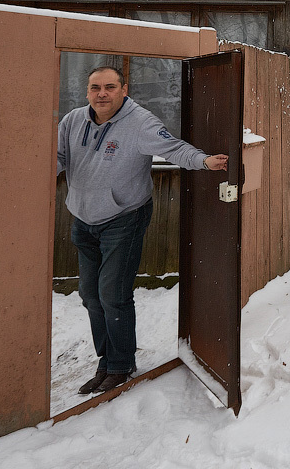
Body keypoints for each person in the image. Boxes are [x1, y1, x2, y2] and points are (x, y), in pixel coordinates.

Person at [57, 65, 228, 395]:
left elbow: (173, 147)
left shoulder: (140, 122)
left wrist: (203, 161)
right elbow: (57, 158)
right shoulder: (73, 121)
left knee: (112, 294)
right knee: (90, 295)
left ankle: (120, 365)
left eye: (109, 87)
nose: (102, 94)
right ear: (87, 92)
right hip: (83, 217)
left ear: (124, 89)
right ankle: (107, 360)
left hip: (123, 217)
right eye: (95, 88)